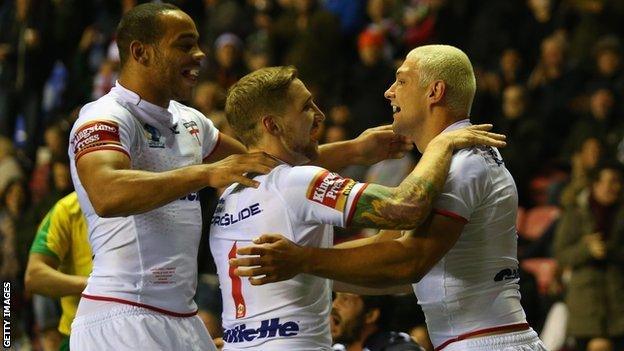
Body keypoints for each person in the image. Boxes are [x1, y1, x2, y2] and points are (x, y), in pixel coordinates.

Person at [67, 3, 426, 350]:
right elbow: (106, 193)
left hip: (183, 318)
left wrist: (354, 151)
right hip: (121, 315)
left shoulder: (191, 122)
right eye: (184, 45)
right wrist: (206, 173)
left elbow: (269, 165)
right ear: (140, 52)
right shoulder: (105, 117)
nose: (200, 54)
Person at [232, 45, 547, 351]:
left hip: (485, 341)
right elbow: (385, 251)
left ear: (434, 92)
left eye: (402, 80)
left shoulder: (463, 162)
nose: (389, 91)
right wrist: (295, 269)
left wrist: (303, 259)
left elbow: (408, 262)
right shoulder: (450, 161)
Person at [554, 163, 624, 351]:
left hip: (618, 299)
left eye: (618, 182)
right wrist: (587, 249)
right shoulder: (575, 213)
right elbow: (561, 255)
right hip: (586, 301)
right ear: (595, 184)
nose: (614, 187)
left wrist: (608, 249)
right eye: (610, 181)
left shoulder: (620, 214)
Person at [24, 192, 91, 351]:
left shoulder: (140, 200)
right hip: (80, 335)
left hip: (138, 329)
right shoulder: (67, 209)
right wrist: (96, 285)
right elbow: (34, 276)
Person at [331, 292, 425, 351]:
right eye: (335, 298)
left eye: (345, 299)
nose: (334, 305)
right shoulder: (335, 348)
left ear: (370, 315)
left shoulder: (400, 348)